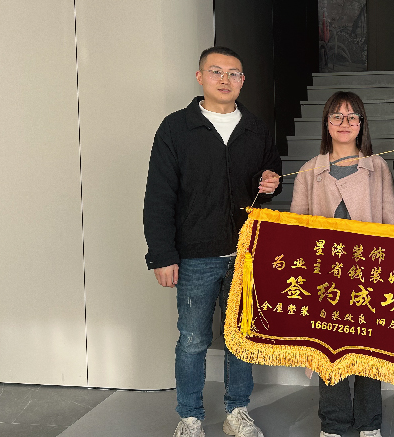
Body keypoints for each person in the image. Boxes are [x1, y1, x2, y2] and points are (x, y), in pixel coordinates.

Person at [143, 46, 282, 437]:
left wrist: (271, 183)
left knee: (241, 339)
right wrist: (162, 255)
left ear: (243, 81)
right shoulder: (176, 128)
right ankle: (189, 416)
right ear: (200, 76)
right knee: (192, 339)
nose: (225, 80)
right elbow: (159, 195)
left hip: (245, 254)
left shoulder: (255, 128)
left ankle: (237, 411)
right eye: (216, 71)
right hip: (195, 255)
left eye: (234, 73)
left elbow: (270, 178)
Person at [291, 91, 394, 437]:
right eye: (336, 116)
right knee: (329, 349)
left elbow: (390, 220)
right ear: (326, 123)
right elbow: (297, 227)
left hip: (368, 271)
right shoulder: (310, 170)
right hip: (326, 273)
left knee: (368, 346)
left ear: (362, 124)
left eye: (352, 116)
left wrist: (391, 266)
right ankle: (334, 423)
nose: (344, 123)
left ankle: (369, 423)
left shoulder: (377, 167)